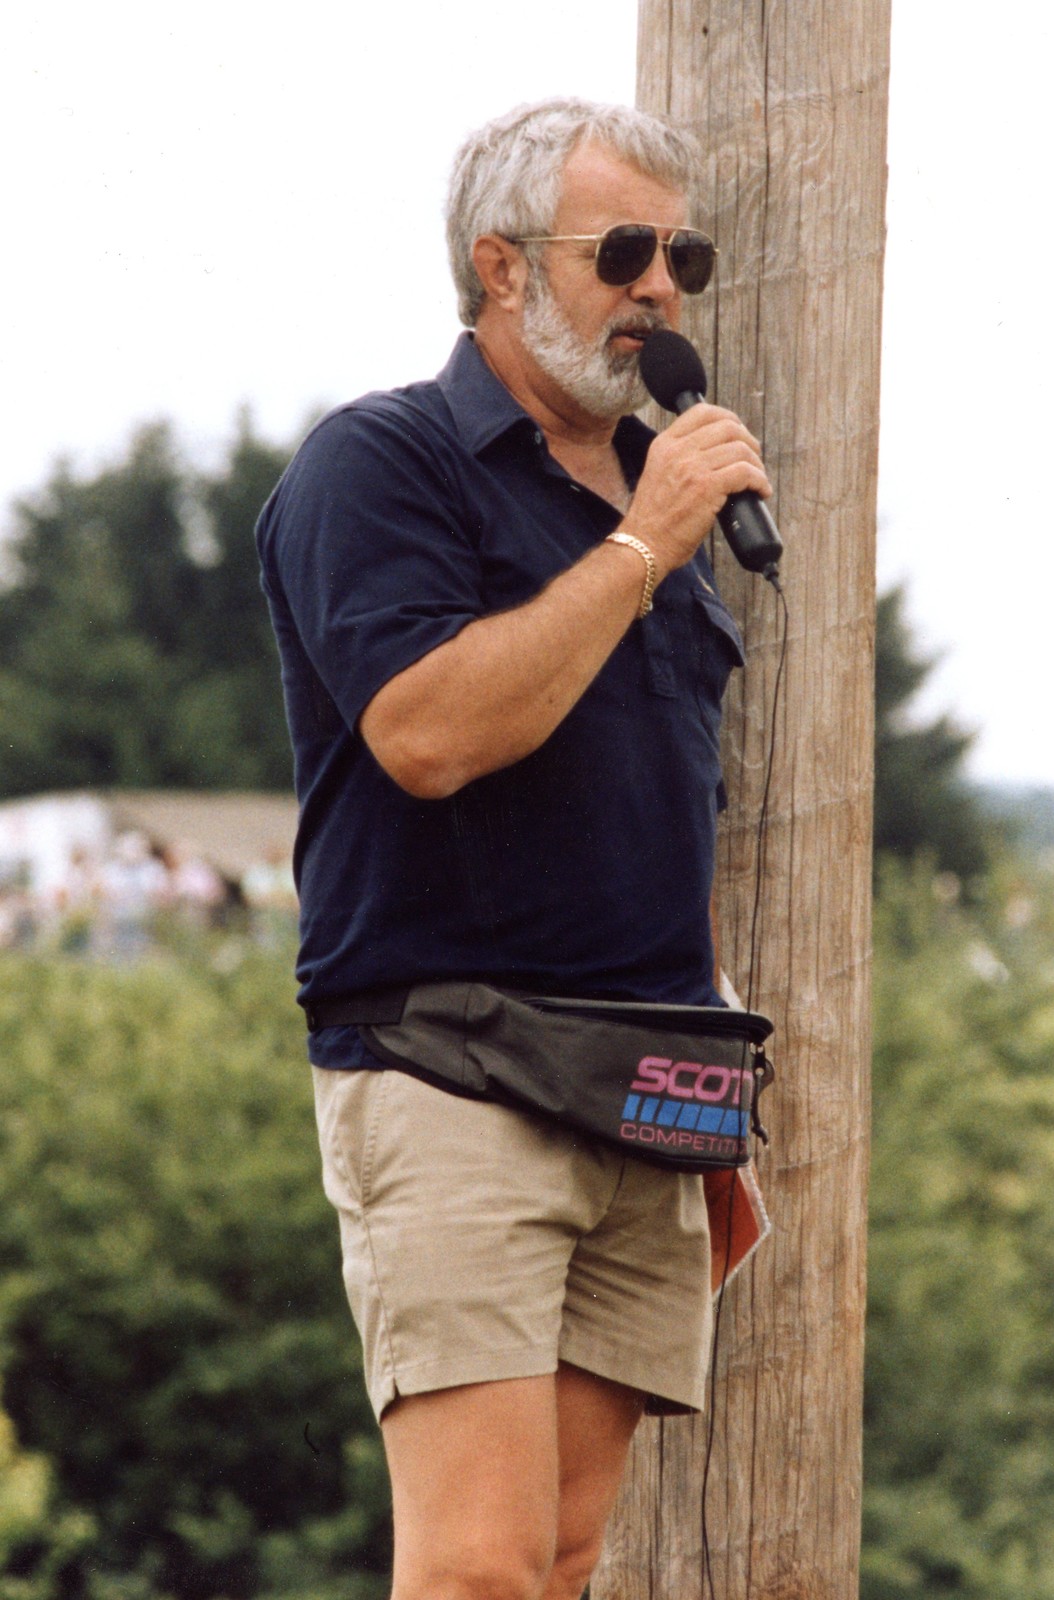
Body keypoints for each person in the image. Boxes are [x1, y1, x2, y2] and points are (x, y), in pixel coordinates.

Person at [256, 97, 773, 1600]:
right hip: (456, 1067)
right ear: (499, 266)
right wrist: (641, 547)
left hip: (648, 1080)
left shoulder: (653, 491)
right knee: (476, 1569)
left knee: (557, 1562)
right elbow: (426, 733)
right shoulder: (382, 463)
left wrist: (711, 1048)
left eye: (684, 257)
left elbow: (656, 798)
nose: (661, 287)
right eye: (623, 252)